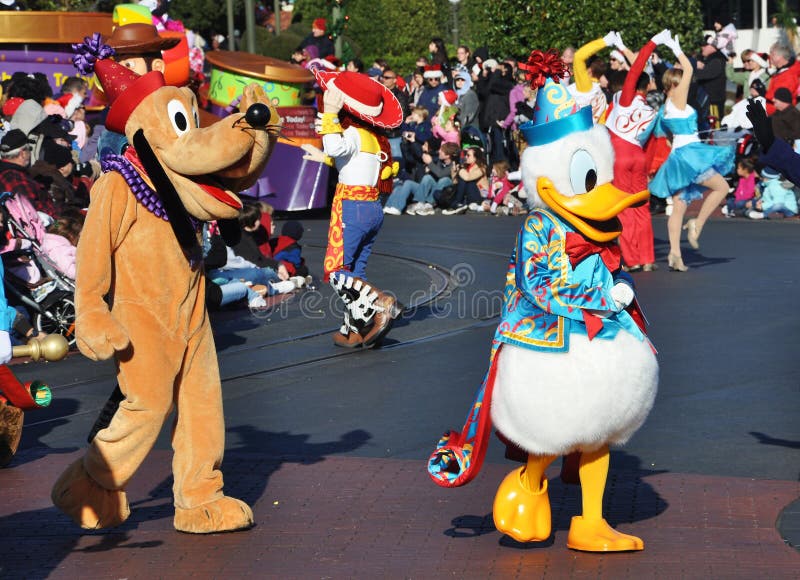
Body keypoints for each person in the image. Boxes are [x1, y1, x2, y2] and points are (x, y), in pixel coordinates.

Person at [301, 70, 403, 348]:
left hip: (353, 207)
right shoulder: (372, 137)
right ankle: (353, 329)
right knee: (356, 271)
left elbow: (335, 147)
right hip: (372, 208)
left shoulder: (354, 133)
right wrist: (319, 156)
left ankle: (379, 304)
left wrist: (330, 113)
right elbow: (352, 164)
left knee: (336, 270)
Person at [648, 32, 735, 272]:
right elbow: (688, 69)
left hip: (679, 155)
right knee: (722, 187)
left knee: (679, 205)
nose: (687, 85)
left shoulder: (666, 108)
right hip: (690, 154)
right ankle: (697, 223)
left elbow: (665, 136)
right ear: (673, 85)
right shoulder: (677, 99)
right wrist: (675, 47)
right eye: (681, 83)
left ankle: (675, 255)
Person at [606, 30, 668, 272]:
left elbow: (636, 68)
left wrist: (652, 42)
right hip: (639, 156)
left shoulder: (624, 99)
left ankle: (631, 260)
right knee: (641, 209)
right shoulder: (653, 110)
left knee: (625, 208)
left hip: (620, 155)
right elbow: (653, 143)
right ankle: (648, 259)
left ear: (634, 85)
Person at [383, 141, 459, 216]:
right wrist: (406, 143)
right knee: (407, 184)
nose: (439, 151)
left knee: (444, 179)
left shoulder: (454, 165)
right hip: (426, 191)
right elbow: (419, 155)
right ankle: (391, 206)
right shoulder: (439, 160)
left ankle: (428, 204)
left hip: (441, 194)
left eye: (442, 151)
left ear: (448, 155)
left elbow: (441, 174)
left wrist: (430, 163)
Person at [440, 146, 488, 215]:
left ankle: (457, 204)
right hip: (466, 195)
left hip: (479, 195)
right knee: (438, 193)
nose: (466, 157)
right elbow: (456, 183)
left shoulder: (482, 167)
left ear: (475, 157)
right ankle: (457, 204)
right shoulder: (465, 166)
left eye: (468, 155)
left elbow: (467, 178)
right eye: (466, 155)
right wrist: (454, 171)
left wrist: (460, 169)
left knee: (468, 182)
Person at [695, 35, 729, 127]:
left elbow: (703, 75)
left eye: (705, 45)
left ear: (713, 47)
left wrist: (696, 68)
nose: (702, 47)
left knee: (714, 127)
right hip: (709, 100)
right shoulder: (710, 59)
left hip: (714, 101)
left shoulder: (717, 60)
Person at [764, 43, 800, 114]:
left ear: (780, 56)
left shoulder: (790, 74)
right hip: (774, 115)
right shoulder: (782, 70)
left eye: (772, 54)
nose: (769, 57)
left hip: (781, 117)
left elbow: (781, 97)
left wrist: (763, 93)